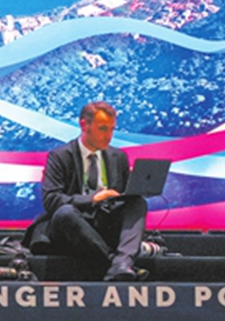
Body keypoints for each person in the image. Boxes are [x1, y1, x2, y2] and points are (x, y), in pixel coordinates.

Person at [24, 101, 155, 281]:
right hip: (73, 225)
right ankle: (117, 264)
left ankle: (122, 261)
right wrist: (93, 199)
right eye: (103, 129)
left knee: (137, 203)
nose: (108, 136)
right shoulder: (60, 156)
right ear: (84, 125)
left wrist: (139, 190)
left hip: (105, 223)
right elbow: (51, 200)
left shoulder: (118, 157)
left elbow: (123, 198)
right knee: (65, 213)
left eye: (112, 129)